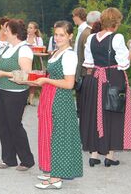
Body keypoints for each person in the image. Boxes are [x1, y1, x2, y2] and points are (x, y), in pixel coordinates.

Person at [80, 7, 131, 167]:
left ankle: (94, 154)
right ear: (116, 23)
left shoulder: (91, 38)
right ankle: (110, 155)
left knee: (96, 113)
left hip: (95, 78)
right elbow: (123, 63)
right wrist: (130, 54)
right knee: (113, 113)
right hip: (113, 77)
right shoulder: (117, 38)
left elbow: (89, 63)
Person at [34, 20, 83, 189]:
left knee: (58, 136)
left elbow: (69, 84)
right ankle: (51, 170)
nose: (58, 38)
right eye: (56, 34)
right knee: (49, 134)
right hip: (50, 96)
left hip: (60, 99)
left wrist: (46, 79)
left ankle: (56, 178)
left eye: (62, 35)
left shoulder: (69, 55)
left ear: (70, 36)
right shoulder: (56, 52)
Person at [0, 19, 35, 171]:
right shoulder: (8, 47)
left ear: (15, 34)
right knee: (3, 125)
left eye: (7, 30)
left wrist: (3, 73)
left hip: (16, 93)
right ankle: (9, 158)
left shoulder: (24, 50)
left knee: (15, 125)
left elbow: (26, 73)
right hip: (2, 90)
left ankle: (27, 160)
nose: (4, 33)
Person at [72, 7, 92, 115]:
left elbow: (84, 53)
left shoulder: (86, 31)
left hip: (83, 68)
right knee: (79, 93)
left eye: (73, 16)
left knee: (81, 92)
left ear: (78, 16)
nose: (73, 18)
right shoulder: (81, 30)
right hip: (78, 65)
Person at [26, 21, 43, 106]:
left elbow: (41, 51)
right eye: (28, 27)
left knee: (33, 80)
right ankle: (24, 97)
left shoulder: (38, 39)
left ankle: (31, 99)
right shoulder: (24, 38)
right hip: (25, 59)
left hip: (35, 60)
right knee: (25, 78)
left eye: (31, 28)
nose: (29, 29)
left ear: (35, 30)